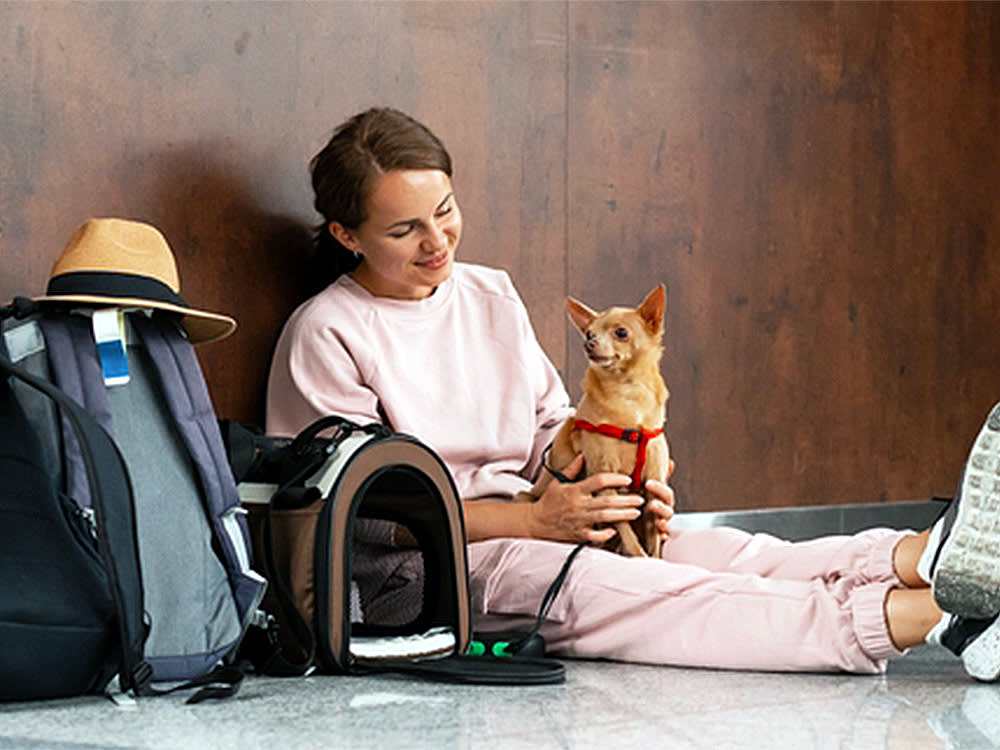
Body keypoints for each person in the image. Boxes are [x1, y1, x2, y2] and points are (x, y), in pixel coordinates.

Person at [266, 107, 1000, 677]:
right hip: (440, 569)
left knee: (728, 553)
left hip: (552, 515)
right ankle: (936, 617)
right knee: (656, 597)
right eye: (406, 230)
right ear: (347, 234)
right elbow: (358, 518)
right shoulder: (326, 332)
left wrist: (625, 472)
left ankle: (932, 557)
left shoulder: (488, 293)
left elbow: (558, 426)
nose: (440, 243)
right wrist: (535, 523)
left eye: (447, 210)